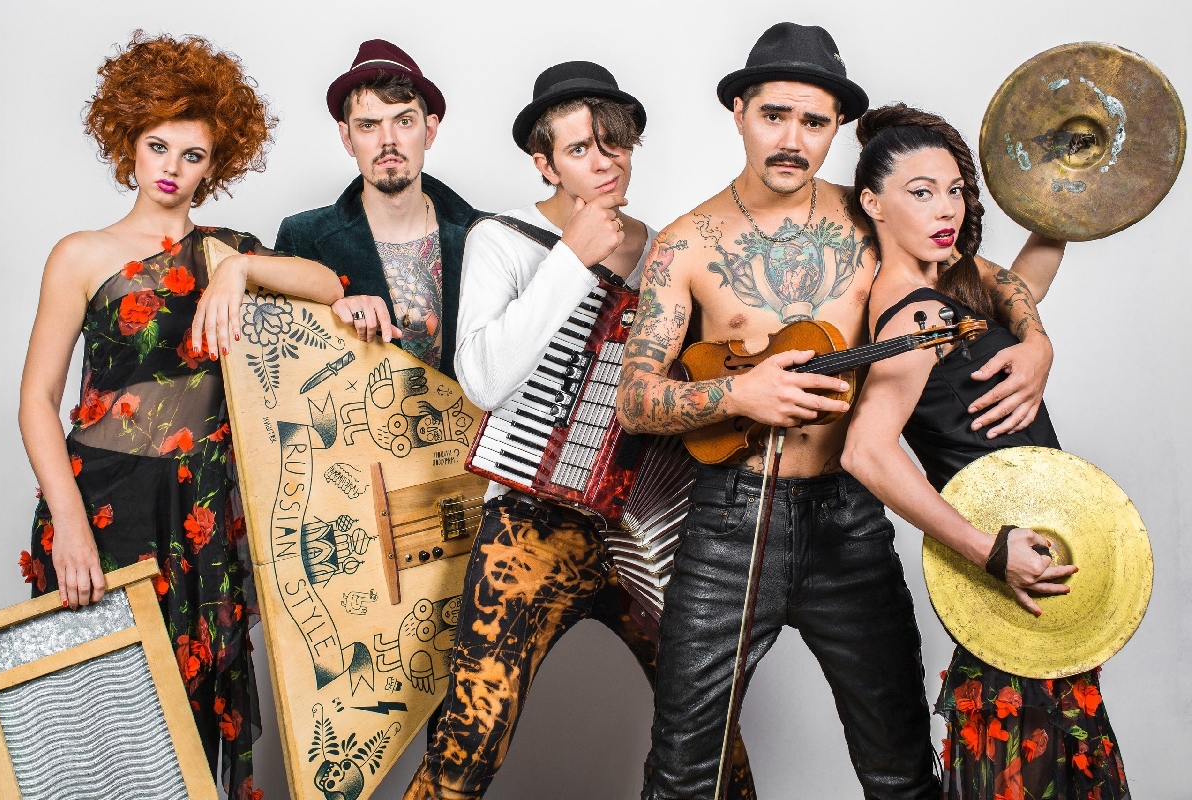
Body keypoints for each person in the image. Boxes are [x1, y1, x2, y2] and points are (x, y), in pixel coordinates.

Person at [617, 23, 1056, 799]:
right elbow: (634, 399)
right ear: (739, 112)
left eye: (814, 122)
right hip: (728, 526)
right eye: (774, 115)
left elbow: (987, 283)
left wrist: (1037, 340)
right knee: (683, 776)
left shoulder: (875, 217)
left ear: (839, 127)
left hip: (850, 520)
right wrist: (738, 394)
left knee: (900, 770)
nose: (793, 139)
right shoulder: (686, 244)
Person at [403, 61, 756, 800]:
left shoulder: (668, 249)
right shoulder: (503, 238)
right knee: (470, 739)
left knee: (710, 735)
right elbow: (484, 380)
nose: (604, 163)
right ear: (545, 163)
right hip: (530, 522)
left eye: (615, 144)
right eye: (579, 149)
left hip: (646, 525)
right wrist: (571, 257)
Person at [17, 32, 343, 800]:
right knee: (98, 718)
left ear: (213, 165)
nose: (171, 167)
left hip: (201, 509)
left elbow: (330, 286)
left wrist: (242, 270)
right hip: (103, 502)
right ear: (128, 143)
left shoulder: (228, 250)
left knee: (189, 728)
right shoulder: (81, 253)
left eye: (192, 155)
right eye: (158, 146)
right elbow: (35, 400)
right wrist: (70, 524)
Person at [840, 104, 1129, 800]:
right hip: (1006, 567)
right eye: (921, 192)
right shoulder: (913, 313)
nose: (946, 208)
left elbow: (1025, 282)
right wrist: (988, 551)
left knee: (1052, 761)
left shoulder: (948, 282)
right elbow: (865, 453)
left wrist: (1037, 336)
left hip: (1034, 558)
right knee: (1025, 766)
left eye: (954, 190)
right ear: (873, 204)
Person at [275, 39, 485, 379]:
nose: (388, 140)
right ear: (347, 139)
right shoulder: (303, 238)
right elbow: (288, 367)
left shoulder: (486, 235)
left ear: (429, 131)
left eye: (404, 121)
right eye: (368, 125)